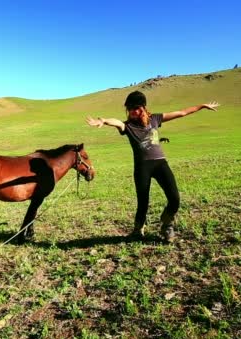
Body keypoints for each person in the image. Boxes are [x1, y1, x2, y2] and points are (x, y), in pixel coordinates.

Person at [86, 90, 219, 242]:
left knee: (175, 198)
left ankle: (167, 223)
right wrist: (103, 121)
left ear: (143, 107)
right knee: (143, 202)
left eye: (136, 108)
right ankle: (138, 230)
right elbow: (116, 122)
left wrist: (202, 106)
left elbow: (181, 113)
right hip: (142, 167)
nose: (132, 111)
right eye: (129, 108)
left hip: (160, 163)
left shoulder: (155, 118)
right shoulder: (127, 126)